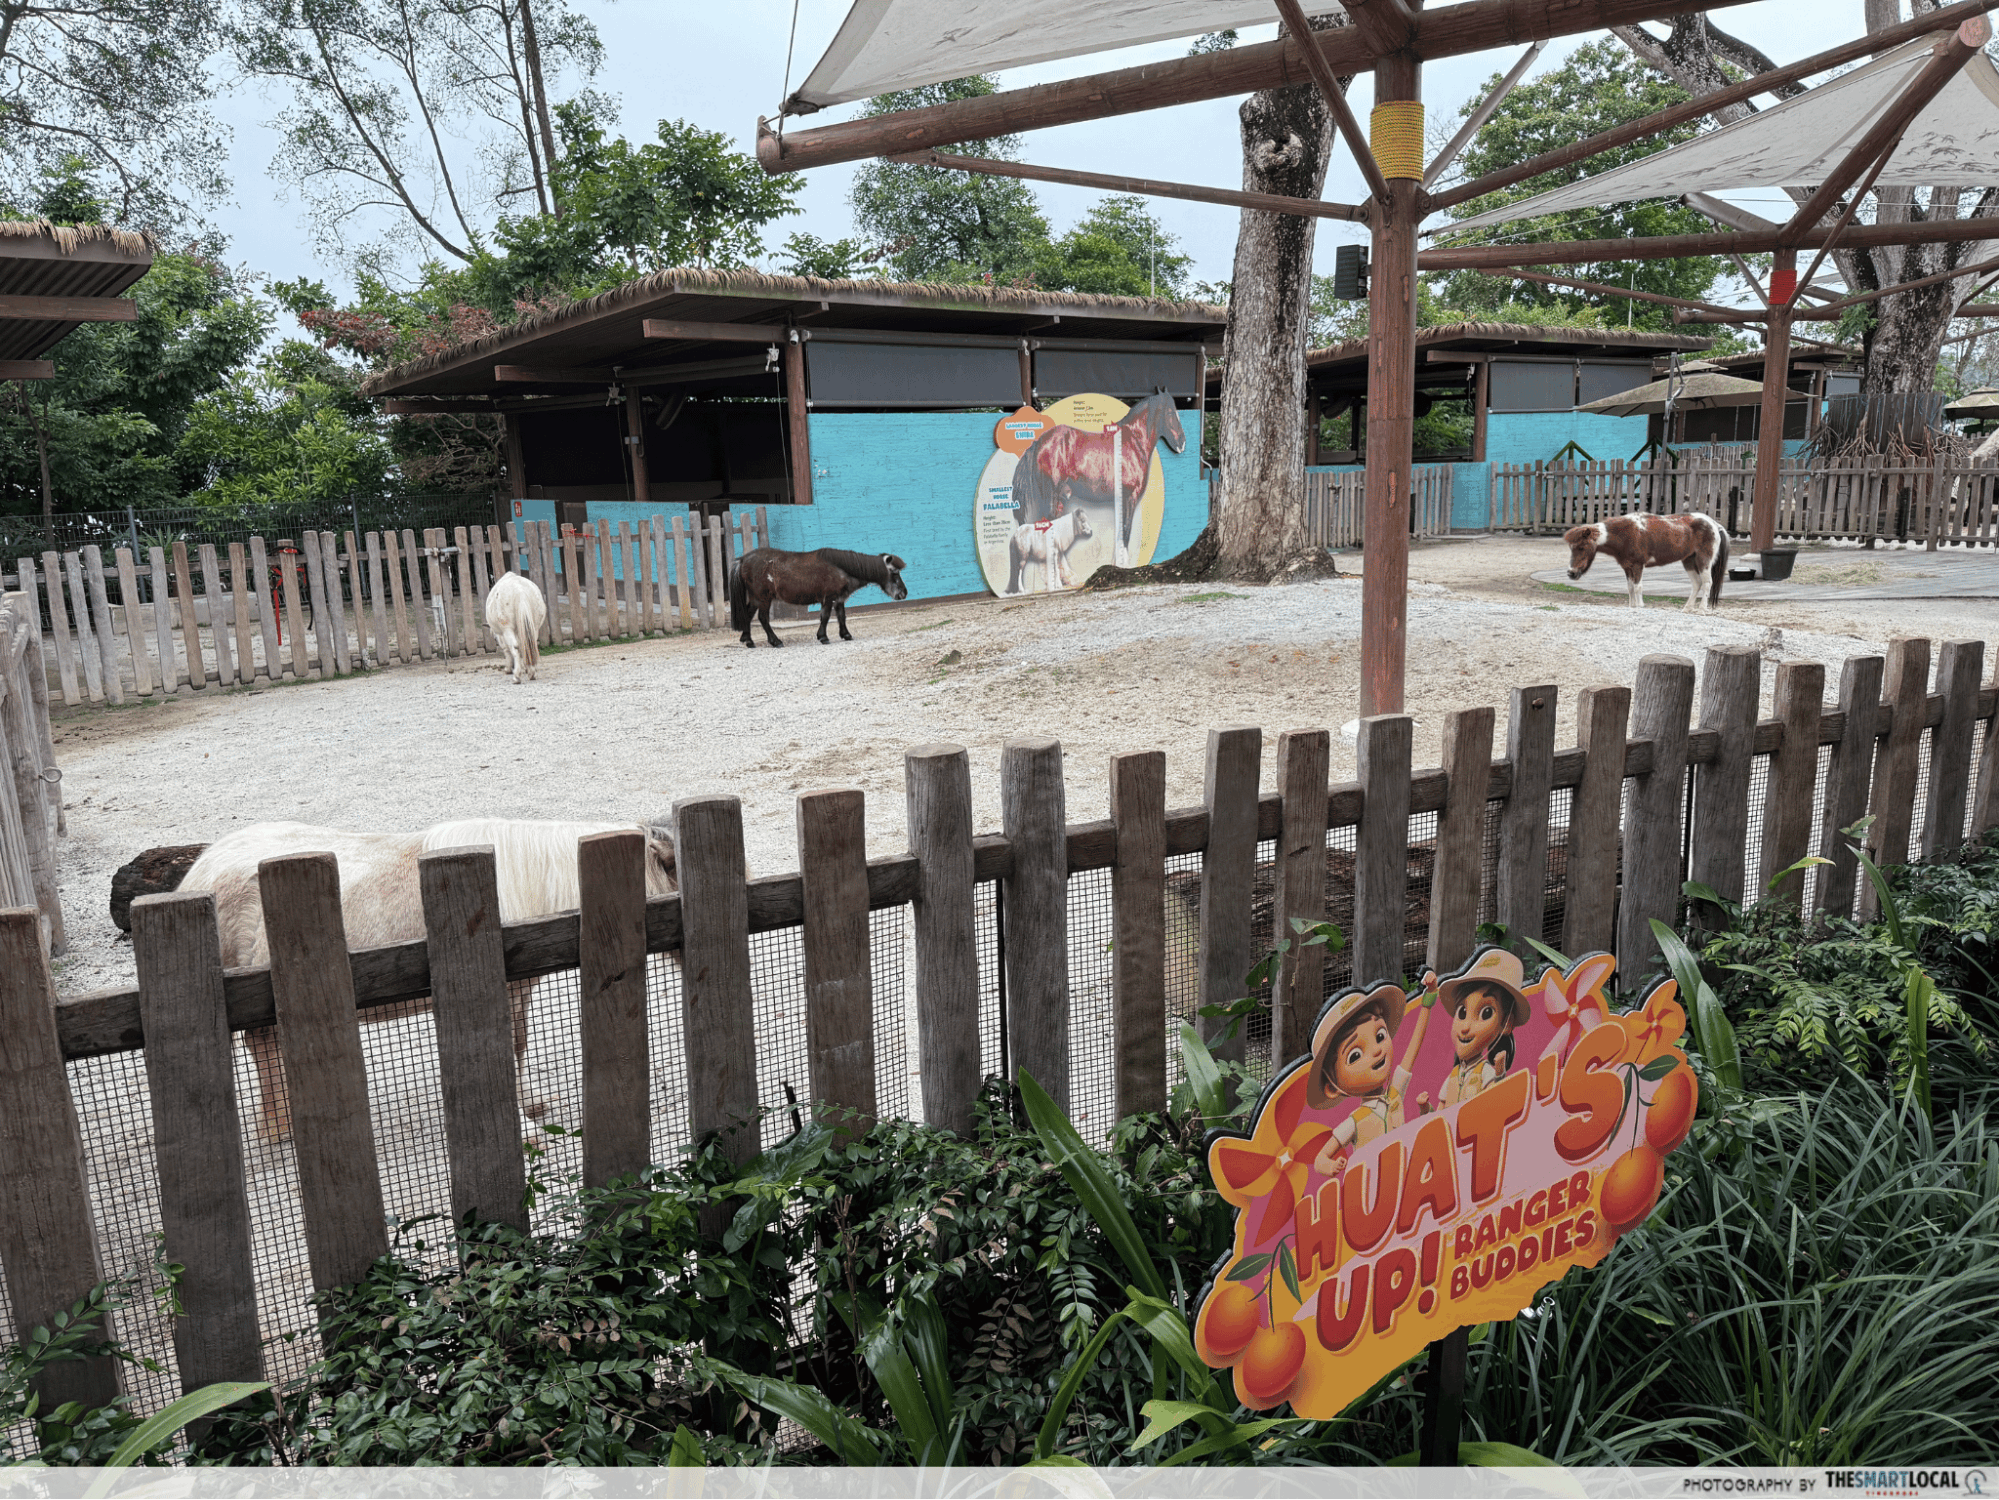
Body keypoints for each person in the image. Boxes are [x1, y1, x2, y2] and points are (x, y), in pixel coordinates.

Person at [1305, 975, 1440, 1177]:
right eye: (1355, 1055)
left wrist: (1429, 999)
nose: (1377, 1051)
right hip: (1371, 1194)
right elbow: (1319, 1160)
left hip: (1404, 1182)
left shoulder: (1394, 1095)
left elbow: (1414, 1044)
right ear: (1333, 1088)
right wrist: (1331, 1167)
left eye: (1379, 1036)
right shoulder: (1354, 1121)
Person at [1428, 947, 1534, 1112]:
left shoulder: (1486, 1073)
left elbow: (1496, 1105)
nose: (1466, 1027)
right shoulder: (1453, 1076)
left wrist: (1499, 1074)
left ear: (1506, 1023)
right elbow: (1438, 1112)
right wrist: (1424, 1108)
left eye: (1486, 1013)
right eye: (1462, 1012)